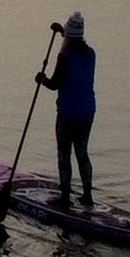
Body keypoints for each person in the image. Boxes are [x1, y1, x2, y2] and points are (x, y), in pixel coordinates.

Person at [43, 13, 98, 208]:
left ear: (68, 34)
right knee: (82, 152)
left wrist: (41, 79)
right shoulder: (91, 54)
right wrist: (63, 36)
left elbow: (54, 84)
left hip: (68, 113)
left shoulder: (64, 56)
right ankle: (87, 196)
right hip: (87, 111)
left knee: (64, 153)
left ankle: (65, 197)